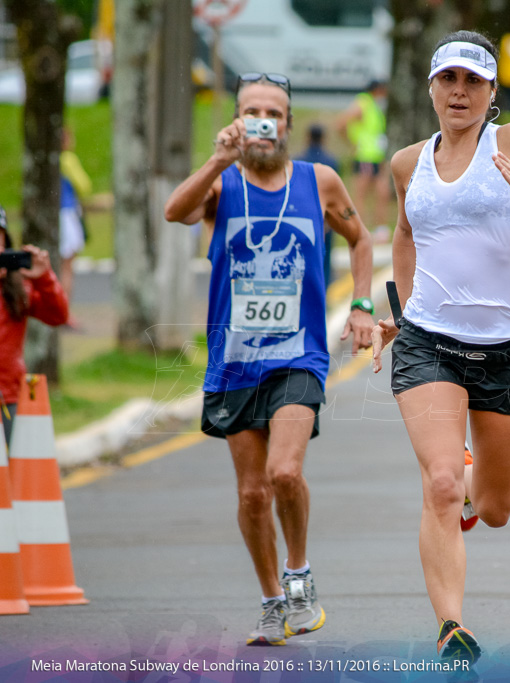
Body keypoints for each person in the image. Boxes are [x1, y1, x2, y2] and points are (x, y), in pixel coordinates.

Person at [369, 31, 510, 665]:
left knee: (492, 509)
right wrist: (399, 310)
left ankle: (471, 482)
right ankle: (450, 628)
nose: (460, 92)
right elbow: (407, 235)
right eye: (449, 80)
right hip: (429, 344)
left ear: (493, 92)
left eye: (473, 81)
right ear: (433, 88)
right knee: (439, 482)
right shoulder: (407, 162)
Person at [163, 72, 375, 646]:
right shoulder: (221, 185)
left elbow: (359, 240)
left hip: (298, 355)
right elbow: (174, 213)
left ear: (286, 123)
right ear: (236, 118)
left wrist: (360, 304)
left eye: (274, 113)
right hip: (233, 361)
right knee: (252, 493)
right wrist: (215, 160)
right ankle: (270, 601)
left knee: (284, 472)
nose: (264, 121)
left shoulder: (319, 181)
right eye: (252, 110)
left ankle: (299, 574)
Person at [0, 205, 69, 447]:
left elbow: (58, 315)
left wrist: (44, 277)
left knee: (14, 474)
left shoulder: (18, 288)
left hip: (9, 396)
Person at [336, 79, 391, 240]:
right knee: (361, 194)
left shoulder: (375, 106)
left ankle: (380, 230)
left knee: (383, 192)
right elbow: (341, 123)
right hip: (364, 157)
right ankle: (360, 230)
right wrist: (352, 143)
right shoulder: (362, 103)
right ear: (377, 90)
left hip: (378, 156)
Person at [295, 124, 340, 287]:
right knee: (325, 256)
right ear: (323, 139)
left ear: (308, 137)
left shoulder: (296, 160)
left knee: (302, 254)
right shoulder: (331, 161)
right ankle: (323, 287)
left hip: (301, 215)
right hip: (325, 216)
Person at [59, 128, 91, 313]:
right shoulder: (67, 159)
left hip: (57, 214)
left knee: (59, 264)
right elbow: (84, 185)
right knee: (67, 266)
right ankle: (65, 311)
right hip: (67, 214)